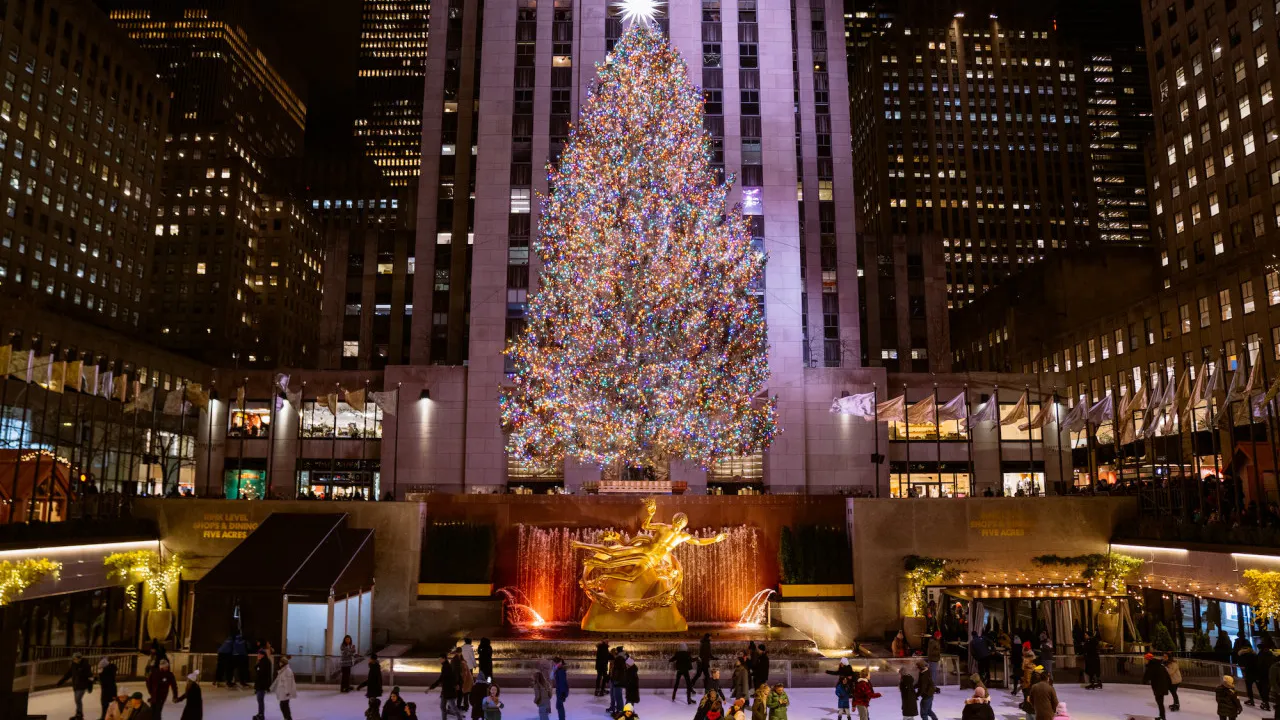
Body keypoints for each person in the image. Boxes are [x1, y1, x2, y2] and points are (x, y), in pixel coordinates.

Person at [58, 651, 94, 720]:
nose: (74, 660)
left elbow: (90, 677)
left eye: (75, 659)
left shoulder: (85, 666)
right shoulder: (74, 665)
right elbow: (68, 674)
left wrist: (90, 687)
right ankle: (78, 714)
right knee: (77, 700)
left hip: (82, 686)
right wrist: (60, 682)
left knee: (78, 699)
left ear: (79, 659)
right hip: (76, 686)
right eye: (73, 659)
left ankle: (79, 714)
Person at [428, 652, 463, 720]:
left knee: (453, 707)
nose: (439, 660)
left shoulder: (447, 667)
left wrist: (432, 686)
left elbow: (444, 678)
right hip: (445, 690)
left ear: (444, 659)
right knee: (442, 706)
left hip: (449, 690)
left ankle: (459, 718)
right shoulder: (445, 666)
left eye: (440, 659)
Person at [1142, 652, 1172, 720]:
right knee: (1160, 702)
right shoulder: (1160, 665)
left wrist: (1144, 680)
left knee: (1160, 702)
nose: (1145, 660)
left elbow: (1146, 677)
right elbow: (1167, 676)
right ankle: (1162, 716)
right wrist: (1168, 685)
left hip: (1158, 687)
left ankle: (1163, 717)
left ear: (1148, 659)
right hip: (1163, 686)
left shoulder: (1151, 666)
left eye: (1145, 659)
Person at [270, 656, 298, 720]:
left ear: (283, 663)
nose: (279, 663)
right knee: (284, 706)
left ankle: (288, 718)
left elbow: (287, 683)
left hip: (285, 692)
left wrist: (287, 692)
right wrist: (271, 688)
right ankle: (287, 718)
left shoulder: (287, 670)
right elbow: (277, 680)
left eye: (280, 662)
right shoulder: (283, 670)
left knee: (284, 706)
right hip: (283, 691)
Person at [251, 650, 273, 720]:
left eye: (259, 654)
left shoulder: (265, 662)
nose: (258, 655)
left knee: (260, 700)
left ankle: (261, 715)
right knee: (259, 700)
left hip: (262, 684)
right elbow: (256, 668)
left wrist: (258, 669)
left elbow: (261, 672)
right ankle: (260, 713)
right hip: (260, 684)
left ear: (263, 655)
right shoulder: (262, 661)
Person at [609, 647, 628, 714]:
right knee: (613, 694)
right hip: (614, 678)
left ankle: (620, 710)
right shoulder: (619, 658)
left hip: (617, 679)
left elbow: (619, 670)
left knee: (618, 695)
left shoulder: (620, 658)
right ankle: (613, 708)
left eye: (616, 652)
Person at [553, 656, 569, 720]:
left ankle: (562, 718)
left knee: (559, 706)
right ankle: (562, 718)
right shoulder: (559, 670)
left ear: (558, 663)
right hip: (560, 690)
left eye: (554, 663)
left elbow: (562, 683)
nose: (554, 664)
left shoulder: (561, 671)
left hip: (561, 691)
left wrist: (563, 693)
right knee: (558, 706)